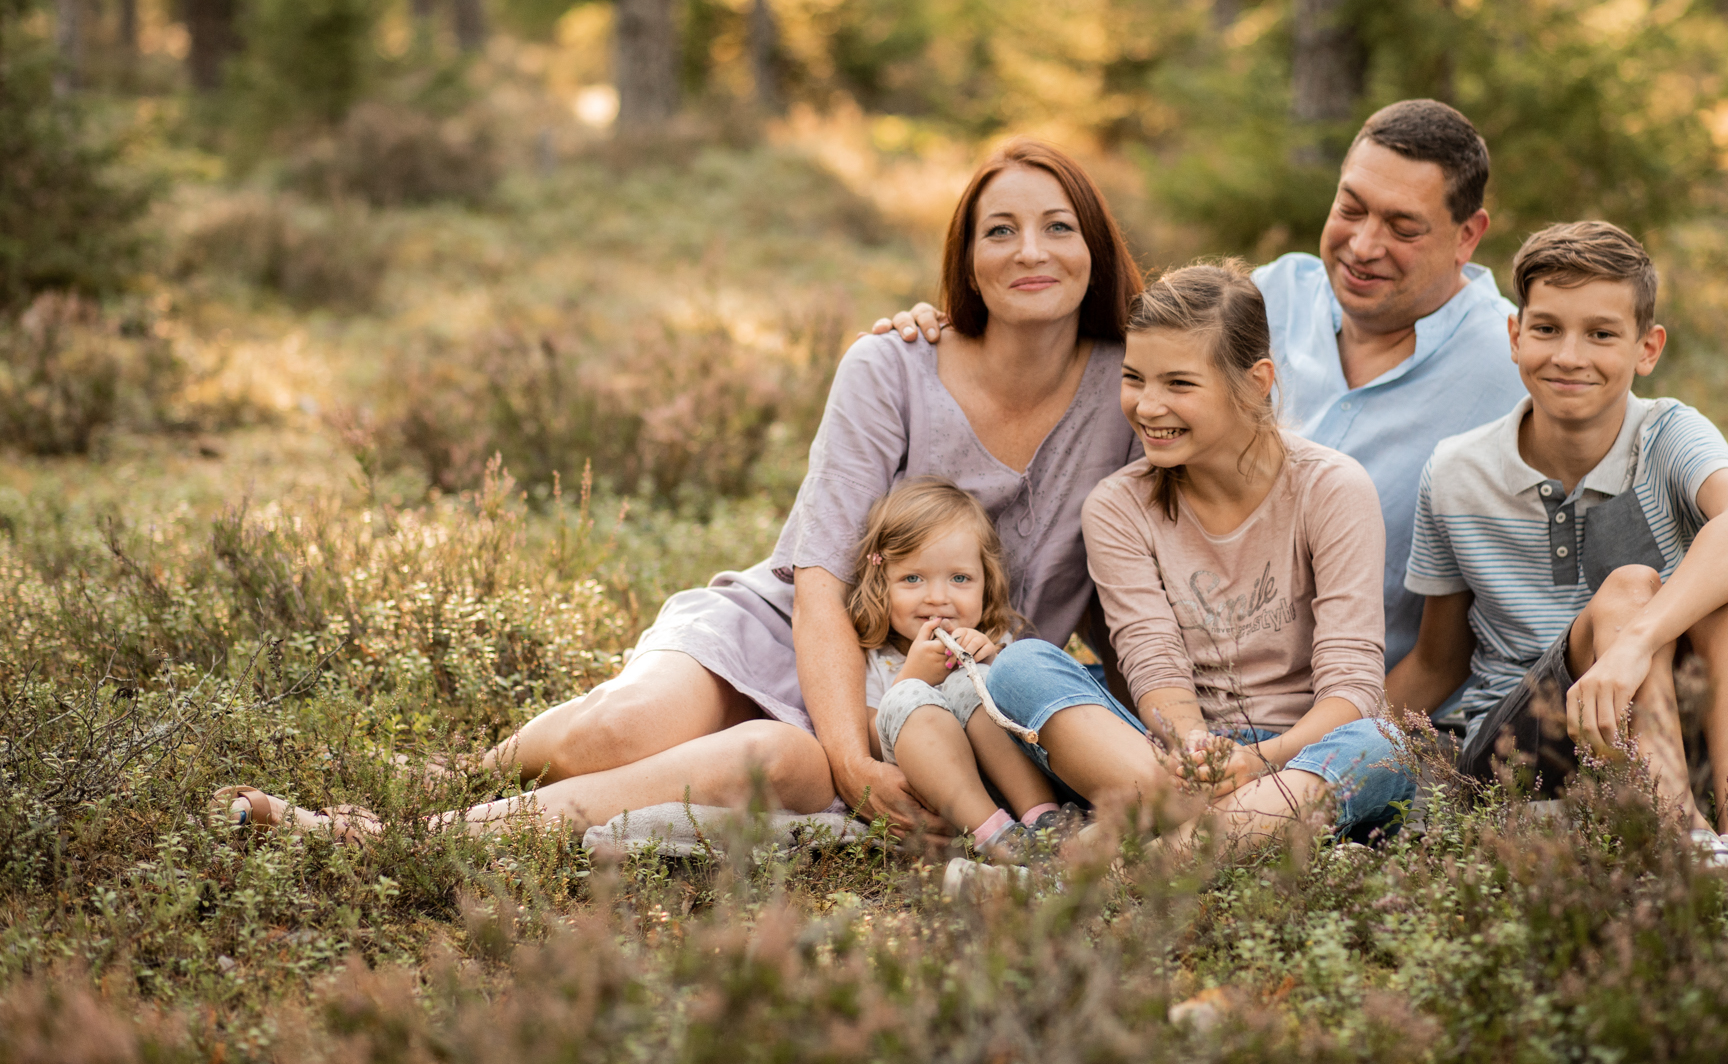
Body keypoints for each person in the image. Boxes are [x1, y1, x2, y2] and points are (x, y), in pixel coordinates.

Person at [219, 138, 1145, 844]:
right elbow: (819, 575)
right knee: (616, 730)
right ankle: (443, 775)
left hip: (925, 704)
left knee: (769, 760)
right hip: (794, 635)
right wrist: (847, 759)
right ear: (965, 257)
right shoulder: (893, 365)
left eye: (1059, 226)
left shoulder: (1133, 392)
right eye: (1001, 229)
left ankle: (415, 839)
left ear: (1096, 247)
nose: (1033, 251)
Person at [876, 101, 1526, 679]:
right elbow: (1139, 333)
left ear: (1467, 235)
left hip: (1354, 700)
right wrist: (957, 324)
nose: (1362, 244)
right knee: (1028, 672)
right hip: (1177, 684)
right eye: (1349, 207)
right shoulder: (1271, 296)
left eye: (1403, 227)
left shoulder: (1510, 365)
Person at [1383, 222, 1728, 858]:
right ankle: (1683, 845)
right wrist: (1317, 752)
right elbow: (1440, 659)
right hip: (1521, 744)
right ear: (1516, 336)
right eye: (1547, 329)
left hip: (1662, 720)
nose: (1569, 356)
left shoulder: (1669, 435)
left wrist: (1632, 644)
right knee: (1630, 586)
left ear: (1646, 348)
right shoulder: (1456, 472)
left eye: (1601, 334)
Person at [983, 262, 1410, 849]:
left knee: (1378, 747)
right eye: (1135, 378)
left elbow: (1351, 687)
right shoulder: (1119, 507)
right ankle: (1241, 832)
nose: (1149, 406)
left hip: (1304, 753)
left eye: (1179, 384)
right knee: (1017, 667)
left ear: (1256, 381)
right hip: (1170, 756)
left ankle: (1138, 859)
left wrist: (1258, 762)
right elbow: (1153, 665)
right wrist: (1197, 751)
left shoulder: (1331, 488)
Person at [854, 478, 1067, 861]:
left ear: (987, 582)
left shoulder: (994, 638)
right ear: (879, 583)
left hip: (1002, 779)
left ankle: (1044, 821)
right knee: (906, 696)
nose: (938, 598)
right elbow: (868, 740)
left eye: (960, 578)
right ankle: (999, 841)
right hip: (935, 789)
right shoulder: (873, 653)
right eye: (912, 578)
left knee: (981, 681)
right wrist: (912, 678)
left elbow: (1028, 718)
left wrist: (994, 663)